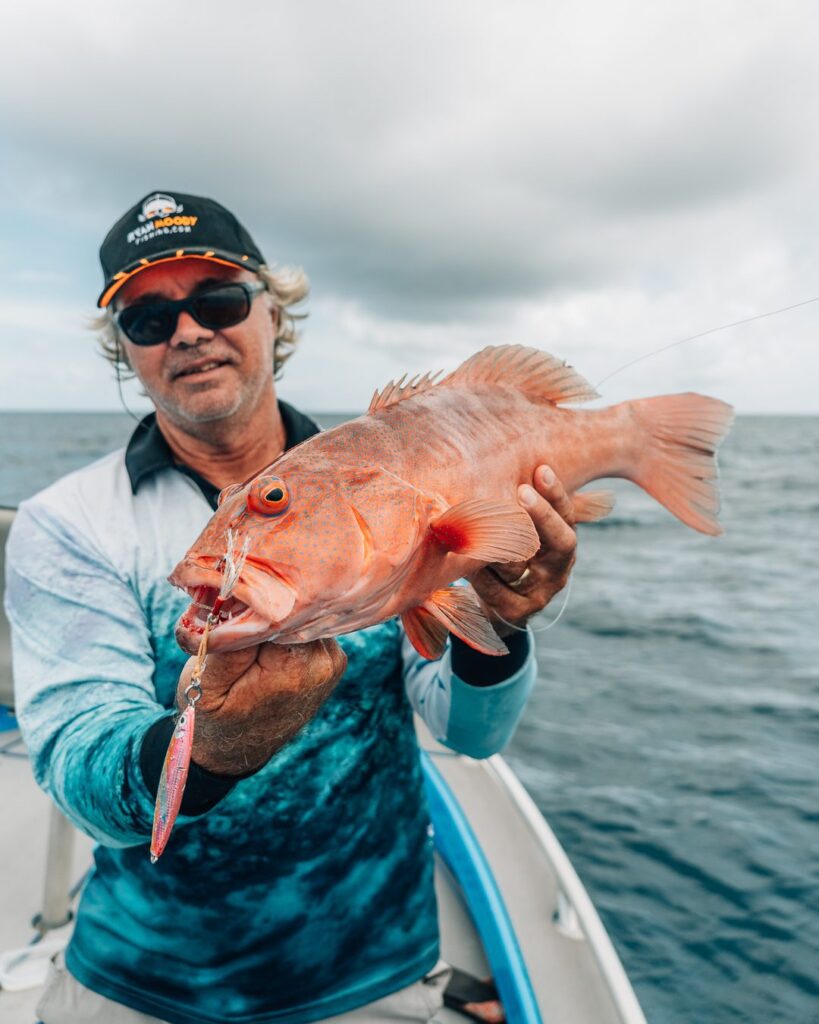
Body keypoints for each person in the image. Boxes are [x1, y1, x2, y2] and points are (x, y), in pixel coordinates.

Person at [4, 191, 578, 1024]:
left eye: (219, 300)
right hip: (142, 980)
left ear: (274, 314)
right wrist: (213, 750)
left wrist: (503, 625)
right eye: (148, 318)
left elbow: (471, 735)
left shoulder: (390, 482)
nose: (190, 331)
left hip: (375, 966)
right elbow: (76, 760)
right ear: (125, 351)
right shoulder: (72, 522)